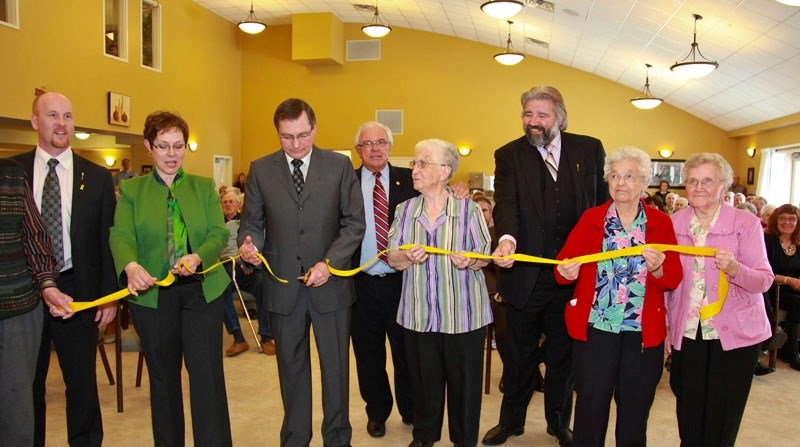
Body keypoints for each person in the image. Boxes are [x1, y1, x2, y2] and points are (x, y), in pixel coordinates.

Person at [484, 85, 609, 447]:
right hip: (526, 278)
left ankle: (558, 423)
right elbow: (505, 203)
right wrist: (506, 238)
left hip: (573, 277)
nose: (533, 122)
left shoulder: (589, 149)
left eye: (541, 115)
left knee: (563, 357)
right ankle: (511, 422)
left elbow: (600, 208)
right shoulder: (508, 155)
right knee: (519, 356)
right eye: (527, 114)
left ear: (559, 117)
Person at [238, 98, 365, 447]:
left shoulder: (339, 166)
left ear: (315, 128)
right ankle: (294, 437)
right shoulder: (261, 169)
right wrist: (249, 243)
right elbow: (252, 221)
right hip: (283, 287)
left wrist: (330, 263)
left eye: (303, 135)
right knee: (291, 369)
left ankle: (337, 437)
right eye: (286, 137)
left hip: (332, 286)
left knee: (335, 368)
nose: (295, 145)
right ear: (277, 133)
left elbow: (354, 224)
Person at [109, 111, 232, 446]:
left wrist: (198, 256)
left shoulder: (204, 186)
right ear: (149, 146)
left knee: (207, 380)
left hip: (201, 293)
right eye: (163, 146)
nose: (172, 153)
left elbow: (219, 233)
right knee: (163, 382)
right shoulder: (131, 191)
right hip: (153, 298)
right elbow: (121, 235)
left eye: (178, 146)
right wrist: (131, 266)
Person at [554, 147, 683, 446]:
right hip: (596, 329)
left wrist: (659, 267)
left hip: (641, 333)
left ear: (643, 182)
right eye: (614, 175)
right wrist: (567, 272)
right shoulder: (591, 218)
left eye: (629, 176)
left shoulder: (660, 223)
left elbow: (673, 279)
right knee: (590, 410)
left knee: (635, 414)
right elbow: (561, 269)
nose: (620, 182)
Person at [13, 92, 117, 447]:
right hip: (24, 295)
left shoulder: (98, 177)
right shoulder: (11, 173)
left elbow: (107, 242)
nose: (62, 124)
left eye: (68, 117)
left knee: (82, 384)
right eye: (53, 115)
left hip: (79, 292)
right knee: (26, 385)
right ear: (35, 122)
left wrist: (108, 298)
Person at [387, 138, 493, 447]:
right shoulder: (405, 210)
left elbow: (484, 256)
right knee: (423, 387)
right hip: (418, 316)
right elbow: (391, 256)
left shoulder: (469, 210)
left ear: (445, 170)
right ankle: (424, 438)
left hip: (464, 318)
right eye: (414, 164)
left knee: (465, 390)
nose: (415, 170)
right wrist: (405, 257)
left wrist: (469, 259)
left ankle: (463, 441)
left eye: (422, 164)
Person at [668, 152, 773, 447]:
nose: (698, 187)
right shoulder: (674, 223)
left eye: (707, 181)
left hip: (736, 335)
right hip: (687, 331)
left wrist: (735, 269)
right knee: (688, 408)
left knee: (723, 412)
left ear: (724, 185)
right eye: (692, 181)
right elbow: (668, 285)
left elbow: (763, 280)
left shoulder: (746, 223)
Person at [0, 158, 73, 446]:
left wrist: (47, 283)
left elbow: (35, 236)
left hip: (18, 308)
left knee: (16, 408)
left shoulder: (12, 175)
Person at [350, 121, 416, 438]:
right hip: (359, 284)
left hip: (401, 282)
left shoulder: (410, 180)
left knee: (406, 352)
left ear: (390, 146)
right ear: (358, 150)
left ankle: (411, 408)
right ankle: (376, 412)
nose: (375, 149)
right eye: (367, 143)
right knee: (368, 354)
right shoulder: (344, 181)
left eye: (381, 142)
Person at [220, 195, 273, 357]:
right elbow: (218, 250)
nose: (228, 205)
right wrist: (238, 261)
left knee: (265, 284)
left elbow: (264, 252)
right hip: (228, 266)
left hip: (252, 269)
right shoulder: (225, 226)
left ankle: (266, 337)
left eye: (232, 202)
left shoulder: (259, 228)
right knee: (218, 286)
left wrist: (249, 263)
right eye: (225, 202)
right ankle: (238, 338)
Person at [766, 204, 800, 370]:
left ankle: (791, 347)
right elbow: (763, 271)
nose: (787, 222)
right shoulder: (768, 240)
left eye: (792, 219)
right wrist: (789, 280)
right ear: (775, 220)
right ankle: (792, 351)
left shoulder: (798, 243)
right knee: (797, 303)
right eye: (783, 218)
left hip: (793, 289)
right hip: (771, 288)